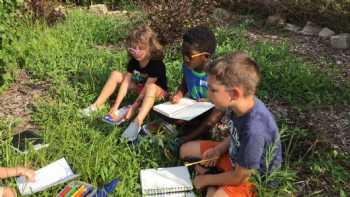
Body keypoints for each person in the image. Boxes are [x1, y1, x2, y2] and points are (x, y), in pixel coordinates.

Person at [179, 52, 282, 197]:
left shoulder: (255, 130)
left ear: (234, 94)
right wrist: (218, 150)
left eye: (213, 90)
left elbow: (240, 177)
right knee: (185, 150)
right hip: (235, 160)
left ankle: (212, 181)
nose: (208, 94)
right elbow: (236, 135)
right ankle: (215, 179)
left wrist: (205, 179)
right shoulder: (239, 104)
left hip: (251, 178)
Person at [81, 25, 168, 141]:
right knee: (116, 74)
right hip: (140, 87)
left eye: (141, 48)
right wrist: (115, 107)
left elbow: (146, 89)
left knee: (150, 87)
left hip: (157, 94)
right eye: (133, 48)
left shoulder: (156, 64)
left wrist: (134, 107)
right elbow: (126, 83)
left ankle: (137, 122)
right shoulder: (133, 62)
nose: (136, 52)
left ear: (150, 48)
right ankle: (96, 105)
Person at [160, 26, 223, 150]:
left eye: (189, 55)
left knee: (208, 123)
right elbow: (185, 83)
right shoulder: (187, 66)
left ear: (205, 56)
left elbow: (221, 104)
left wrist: (209, 100)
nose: (185, 58)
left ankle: (185, 139)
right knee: (163, 113)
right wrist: (179, 94)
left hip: (210, 110)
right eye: (183, 53)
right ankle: (185, 129)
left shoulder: (215, 74)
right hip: (191, 107)